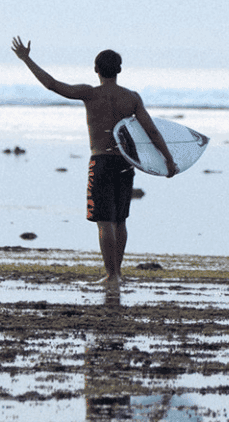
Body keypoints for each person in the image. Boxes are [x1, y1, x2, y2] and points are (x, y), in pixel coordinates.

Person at [11, 36, 177, 285]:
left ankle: (110, 275)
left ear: (95, 69)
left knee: (104, 222)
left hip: (100, 162)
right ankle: (118, 274)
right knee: (120, 220)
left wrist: (26, 59)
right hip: (125, 163)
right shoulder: (131, 98)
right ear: (119, 70)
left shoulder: (89, 93)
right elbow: (152, 131)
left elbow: (52, 84)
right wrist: (169, 160)